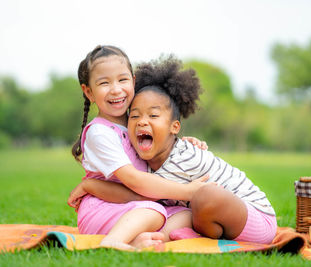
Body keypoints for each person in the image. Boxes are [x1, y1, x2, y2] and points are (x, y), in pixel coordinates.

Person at [73, 56, 277, 244]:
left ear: (174, 127)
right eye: (134, 116)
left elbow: (136, 193)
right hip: (222, 216)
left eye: (153, 116)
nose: (142, 122)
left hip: (257, 218)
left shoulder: (182, 159)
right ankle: (158, 239)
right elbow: (133, 192)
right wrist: (89, 185)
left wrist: (90, 186)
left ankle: (193, 234)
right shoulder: (144, 158)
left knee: (204, 196)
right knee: (182, 211)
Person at [68, 45, 211, 250]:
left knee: (186, 214)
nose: (116, 89)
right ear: (89, 92)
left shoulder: (135, 122)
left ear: (133, 81)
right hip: (103, 209)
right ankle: (113, 241)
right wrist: (188, 192)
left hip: (134, 206)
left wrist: (181, 144)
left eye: (122, 79)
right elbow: (134, 181)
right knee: (154, 210)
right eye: (104, 83)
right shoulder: (100, 133)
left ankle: (151, 240)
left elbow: (157, 144)